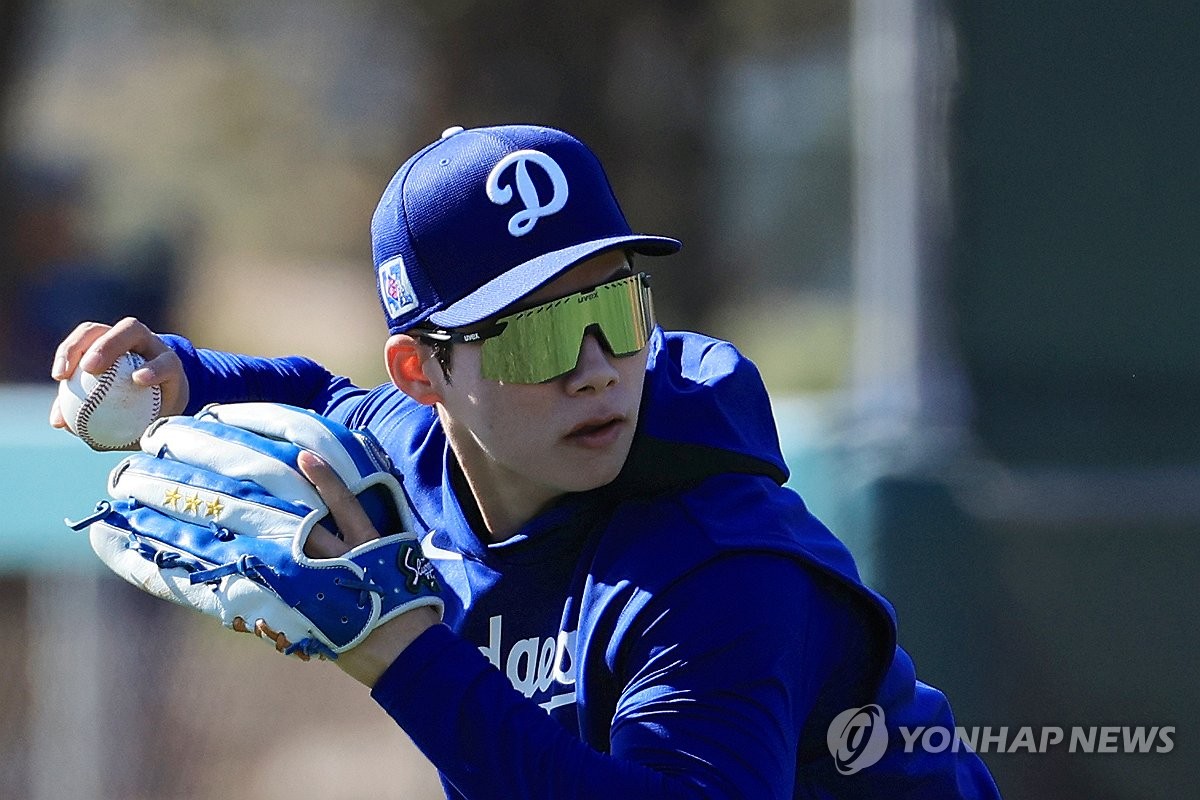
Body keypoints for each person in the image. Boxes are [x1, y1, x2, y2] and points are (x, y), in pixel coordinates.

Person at [51, 123, 1000, 798]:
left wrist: (403, 658)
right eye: (535, 336)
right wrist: (181, 374)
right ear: (423, 371)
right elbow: (322, 398)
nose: (596, 372)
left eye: (616, 312)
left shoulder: (719, 564)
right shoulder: (419, 458)